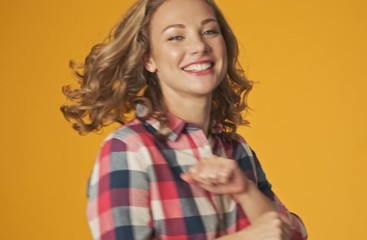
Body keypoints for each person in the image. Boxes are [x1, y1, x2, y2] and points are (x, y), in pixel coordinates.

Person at [61, 0, 308, 239]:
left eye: (210, 31)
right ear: (149, 59)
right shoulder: (129, 150)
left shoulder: (237, 150)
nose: (199, 46)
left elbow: (294, 235)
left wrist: (245, 190)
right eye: (176, 36)